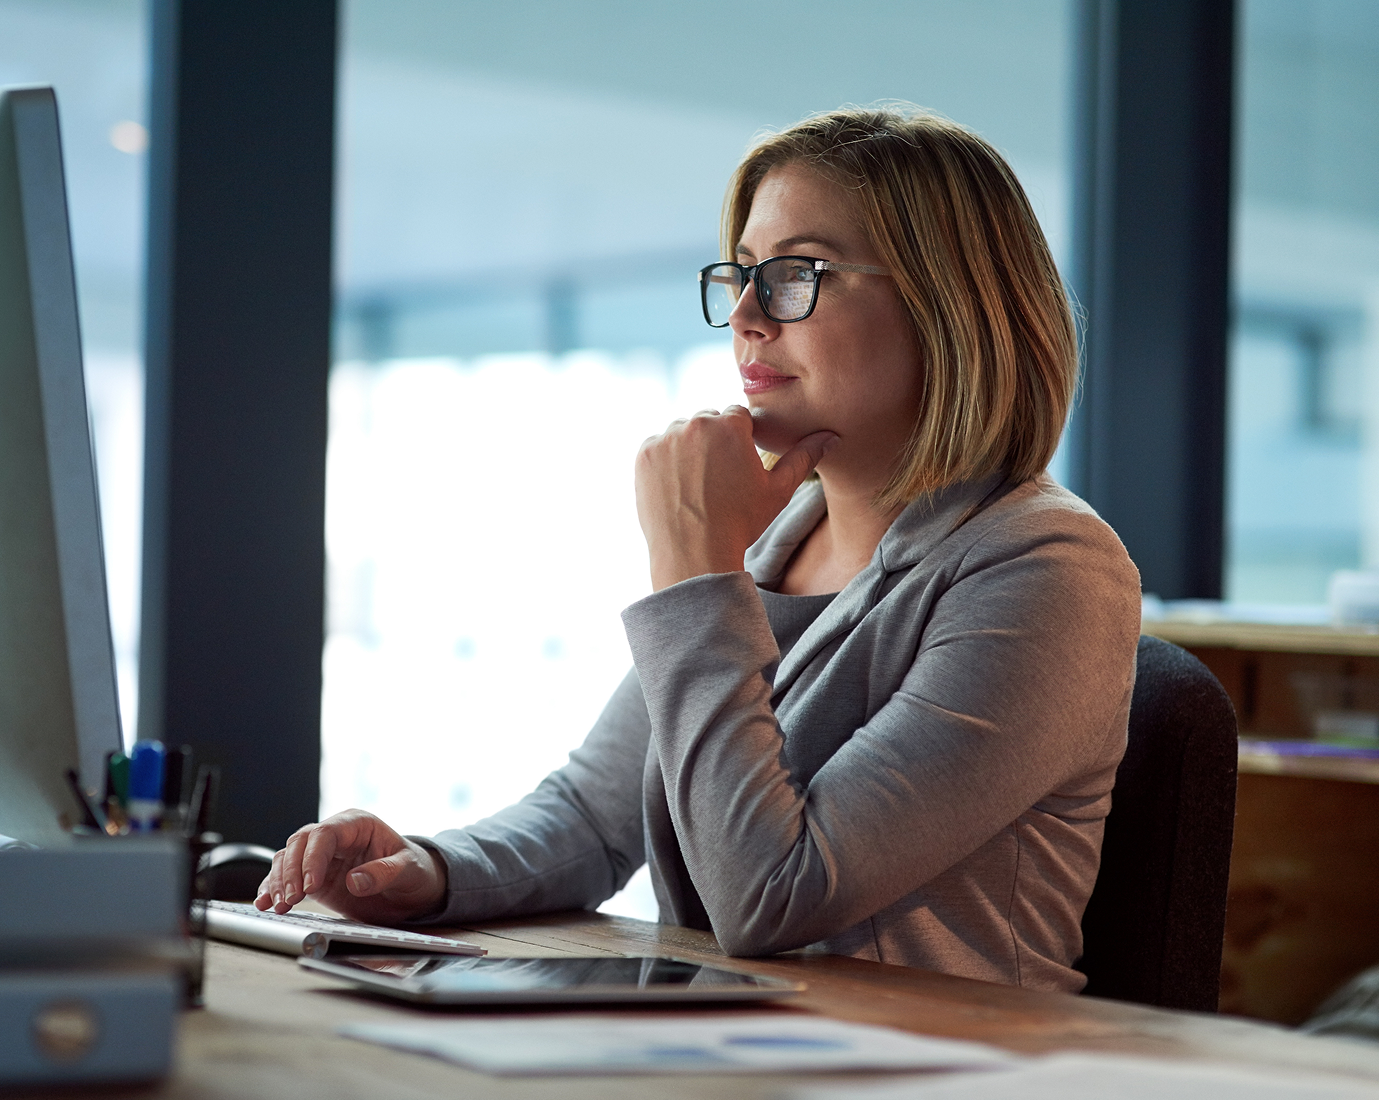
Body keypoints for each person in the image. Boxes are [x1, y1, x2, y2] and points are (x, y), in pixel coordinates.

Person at [256, 106, 1141, 993]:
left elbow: (774, 895)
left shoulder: (1049, 572)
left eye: (799, 273)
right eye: (744, 275)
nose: (747, 317)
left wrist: (692, 571)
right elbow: (596, 818)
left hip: (939, 1070)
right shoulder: (774, 547)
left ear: (947, 303)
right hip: (739, 1051)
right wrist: (429, 871)